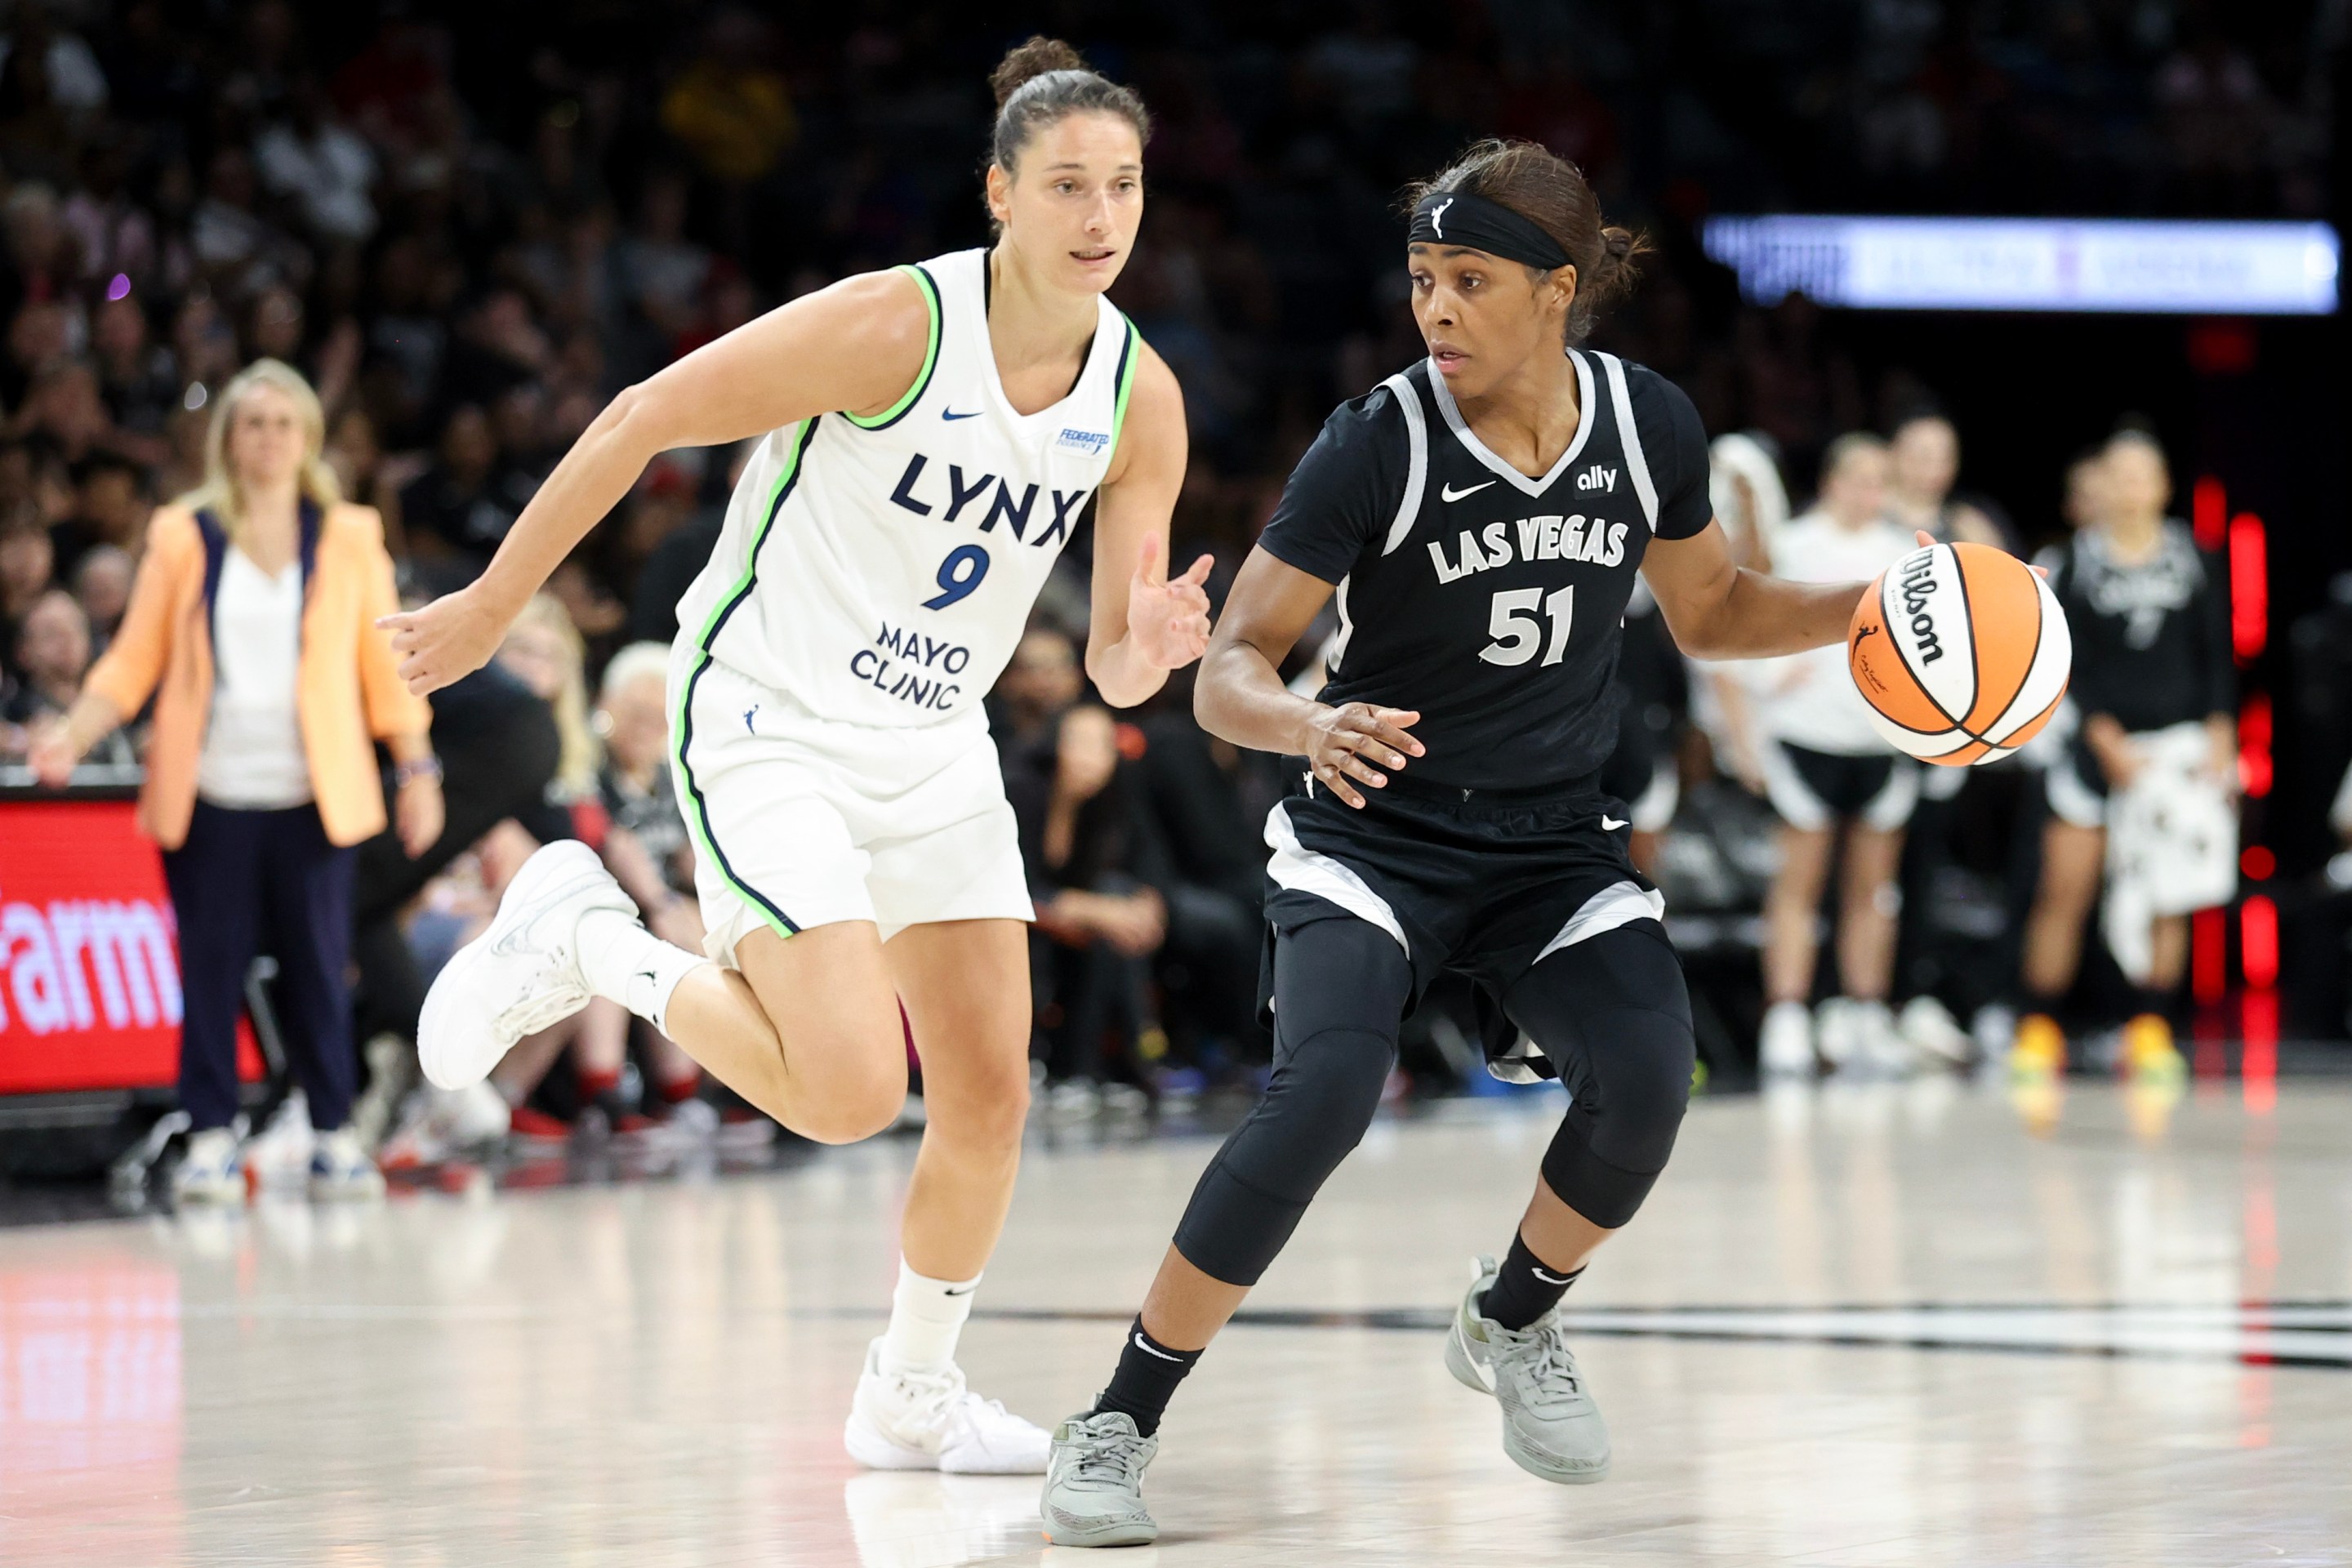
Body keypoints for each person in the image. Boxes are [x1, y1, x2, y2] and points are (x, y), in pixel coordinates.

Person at [1036, 139, 1885, 1547]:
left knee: (1645, 1083)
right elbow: (1230, 664)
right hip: (1374, 838)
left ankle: (1511, 1322)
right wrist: (1305, 725)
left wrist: (1881, 606)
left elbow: (1718, 611)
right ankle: (1118, 1418)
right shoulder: (1379, 437)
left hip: (1551, 845)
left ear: (1557, 291)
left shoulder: (1649, 424)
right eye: (1423, 277)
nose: (1434, 306)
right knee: (1322, 1098)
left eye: (1469, 280)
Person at [380, 38, 1205, 1475]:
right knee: (840, 1098)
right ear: (999, 194)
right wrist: (492, 605)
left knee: (989, 1098)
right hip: (768, 715)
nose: (1100, 216)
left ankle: (911, 1398)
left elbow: (1126, 660)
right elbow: (644, 418)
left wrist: (1150, 648)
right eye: (1068, 183)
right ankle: (595, 943)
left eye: (1123, 186)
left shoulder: (1141, 398)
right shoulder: (899, 326)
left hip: (935, 743)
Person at [28, 358, 443, 1205]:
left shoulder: (349, 533)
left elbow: (380, 664)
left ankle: (334, 1131)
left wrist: (417, 767)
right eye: (251, 423)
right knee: (210, 971)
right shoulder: (184, 533)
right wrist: (73, 733)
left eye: (283, 422)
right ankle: (213, 1137)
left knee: (320, 970)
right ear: (229, 439)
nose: (267, 438)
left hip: (313, 792)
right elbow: (136, 655)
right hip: (212, 787)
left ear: (308, 437)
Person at [2015, 430, 2229, 1082]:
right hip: (2093, 751)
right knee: (2067, 886)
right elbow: (2053, 656)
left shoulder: (2193, 557)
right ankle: (2038, 1024)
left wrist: (2221, 726)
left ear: (2164, 486)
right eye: (2118, 474)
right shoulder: (2070, 562)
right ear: (2096, 486)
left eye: (2144, 475)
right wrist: (2101, 732)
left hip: (2173, 752)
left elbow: (2217, 651)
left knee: (2170, 892)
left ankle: (2150, 1025)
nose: (2130, 488)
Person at [1752, 434, 1922, 1075]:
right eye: (1858, 477)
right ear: (1831, 481)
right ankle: (1788, 1014)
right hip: (1806, 738)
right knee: (1799, 882)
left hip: (1880, 741)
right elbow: (1746, 626)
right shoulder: (1794, 544)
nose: (1869, 491)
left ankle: (1864, 1011)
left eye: (1881, 479)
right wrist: (1768, 690)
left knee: (1873, 889)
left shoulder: (1901, 552)